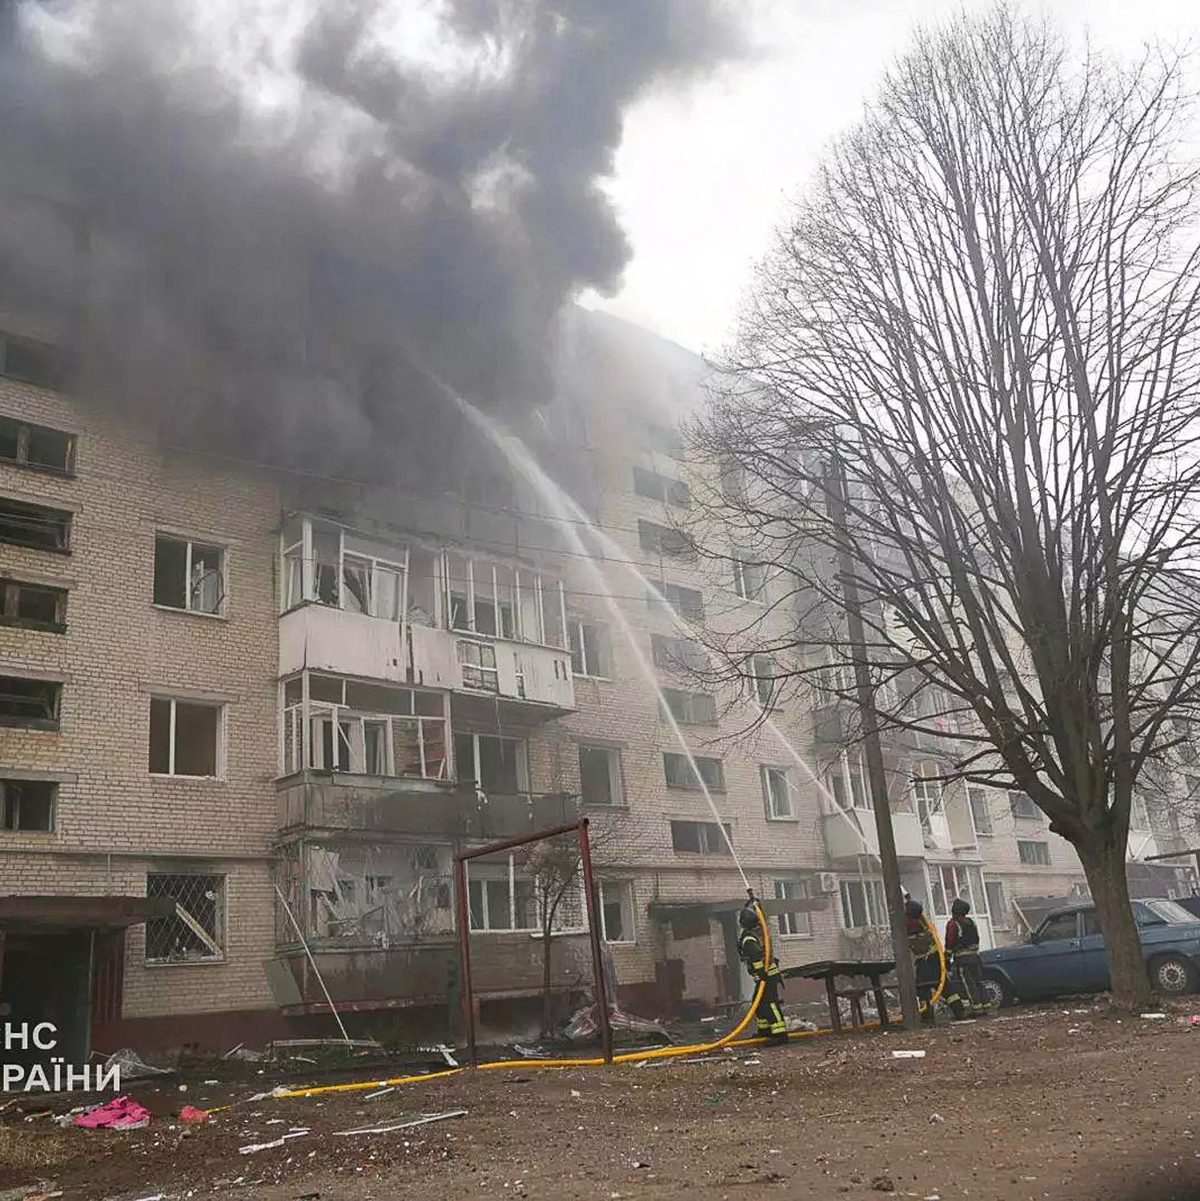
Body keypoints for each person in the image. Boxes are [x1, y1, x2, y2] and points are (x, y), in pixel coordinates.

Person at [737, 903, 788, 1043]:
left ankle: (780, 1034)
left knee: (769, 1004)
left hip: (767, 976)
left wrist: (761, 973)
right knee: (758, 1003)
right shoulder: (755, 933)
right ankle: (765, 1031)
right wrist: (754, 903)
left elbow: (757, 957)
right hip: (765, 976)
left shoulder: (748, 939)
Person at [944, 897, 985, 1018]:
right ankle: (986, 1005)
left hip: (963, 959)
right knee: (978, 982)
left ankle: (977, 1009)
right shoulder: (971, 922)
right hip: (975, 957)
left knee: (968, 984)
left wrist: (946, 957)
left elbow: (950, 941)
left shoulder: (953, 924)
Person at [905, 898, 941, 1022]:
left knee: (922, 988)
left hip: (925, 961)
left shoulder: (913, 924)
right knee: (943, 986)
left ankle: (927, 1016)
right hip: (933, 958)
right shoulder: (922, 923)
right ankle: (959, 1010)